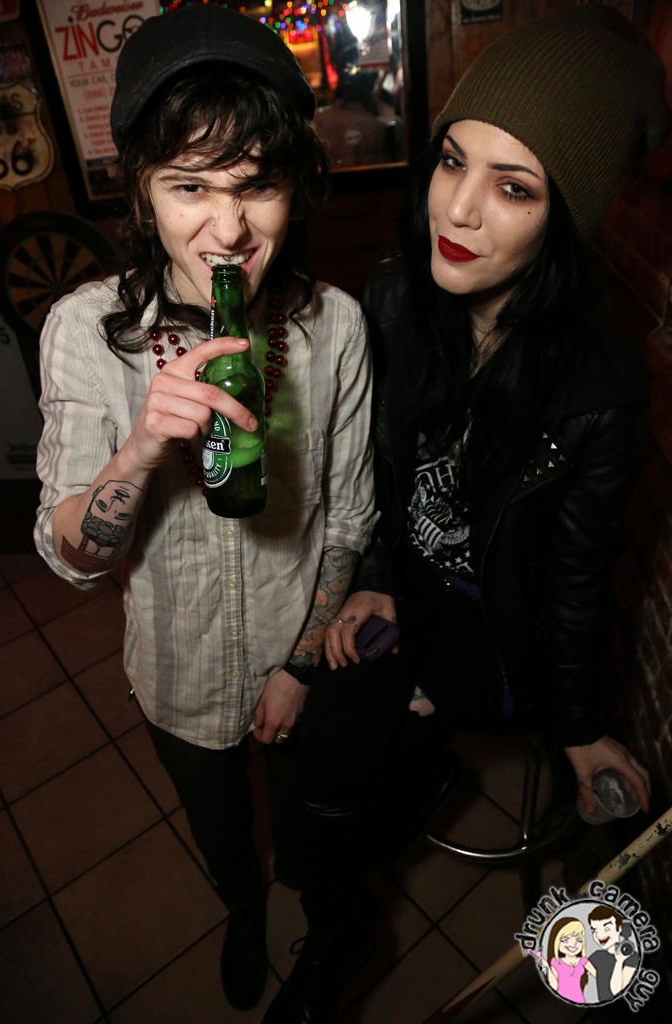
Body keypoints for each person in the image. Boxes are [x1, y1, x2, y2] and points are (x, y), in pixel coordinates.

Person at [263, 7, 668, 1023]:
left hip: (496, 641)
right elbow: (371, 473)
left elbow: (574, 580)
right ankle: (338, 928)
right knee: (308, 752)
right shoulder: (394, 300)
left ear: (563, 215)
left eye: (513, 186)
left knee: (607, 903)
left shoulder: (597, 384)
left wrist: (580, 730)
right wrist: (374, 582)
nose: (458, 207)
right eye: (452, 161)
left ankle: (415, 783)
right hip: (403, 599)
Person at [33, 5, 376, 1014]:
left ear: (292, 188)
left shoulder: (334, 325)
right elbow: (69, 555)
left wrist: (297, 665)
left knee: (315, 831)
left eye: (255, 184)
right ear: (142, 193)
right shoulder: (85, 331)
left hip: (296, 660)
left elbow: (349, 517)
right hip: (176, 676)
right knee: (224, 834)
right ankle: (241, 909)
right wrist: (143, 444)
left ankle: (312, 913)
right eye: (190, 185)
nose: (227, 231)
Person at [588, 906, 640, 1001]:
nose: (599, 935)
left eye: (606, 929)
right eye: (594, 930)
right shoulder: (597, 956)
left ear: (619, 929)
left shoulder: (632, 957)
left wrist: (619, 961)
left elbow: (617, 991)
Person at [542, 917, 596, 1004]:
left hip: (579, 1000)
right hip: (560, 1002)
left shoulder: (583, 961)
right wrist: (547, 967)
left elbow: (599, 976)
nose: (573, 944)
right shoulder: (555, 962)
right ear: (556, 941)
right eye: (565, 940)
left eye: (579, 940)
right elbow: (554, 987)